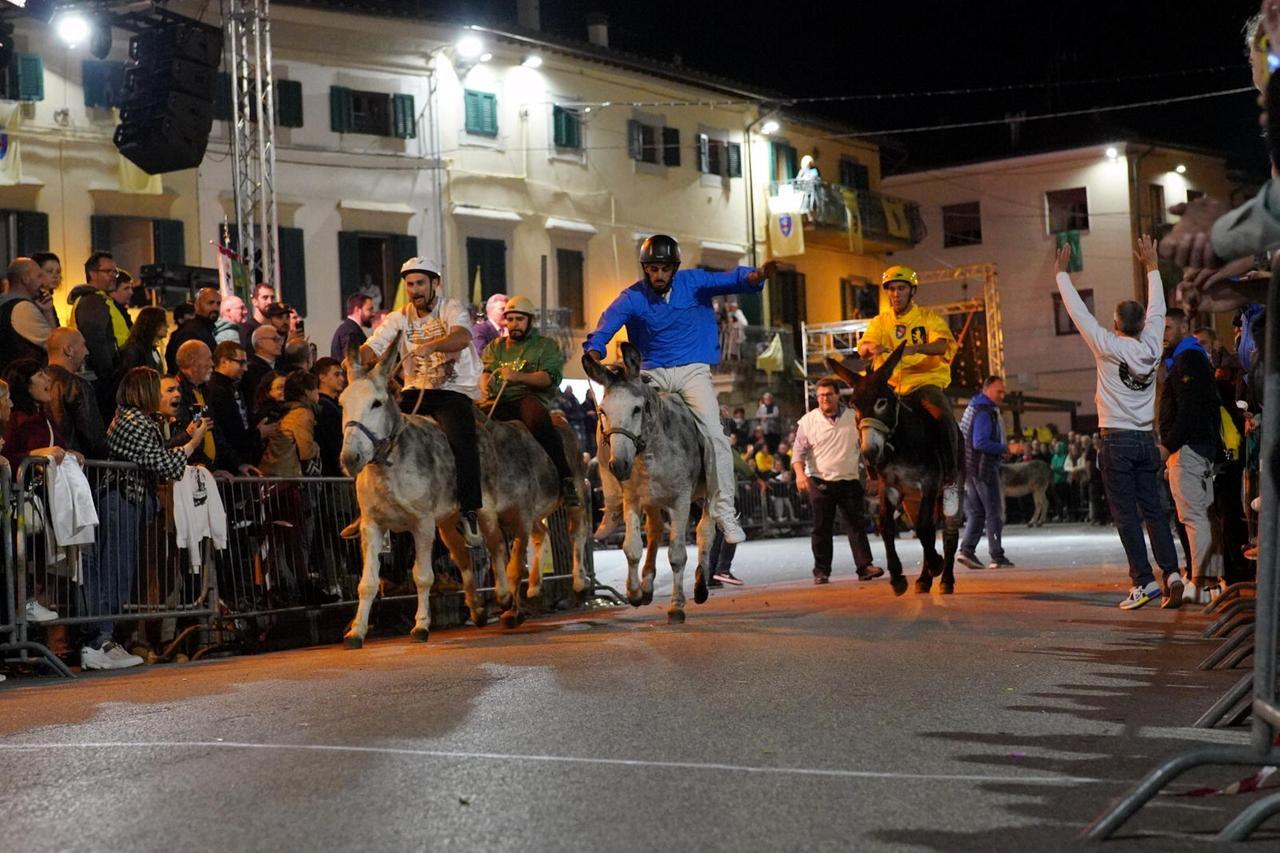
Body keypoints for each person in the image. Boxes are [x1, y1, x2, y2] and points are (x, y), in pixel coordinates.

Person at [584, 234, 778, 544]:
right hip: (650, 372)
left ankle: (724, 512)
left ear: (674, 268)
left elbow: (729, 280)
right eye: (652, 268)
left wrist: (756, 276)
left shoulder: (694, 282)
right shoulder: (632, 297)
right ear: (645, 269)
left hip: (693, 371)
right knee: (607, 422)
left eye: (663, 268)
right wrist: (594, 350)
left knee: (715, 435)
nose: (657, 274)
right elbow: (607, 323)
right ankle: (612, 506)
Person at [1055, 236, 1182, 609]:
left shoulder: (1106, 345)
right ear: (1144, 323)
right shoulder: (1153, 342)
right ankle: (1172, 572)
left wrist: (1062, 276)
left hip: (1116, 441)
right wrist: (1152, 266)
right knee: (1155, 511)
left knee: (1126, 515)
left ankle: (1144, 582)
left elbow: (1079, 313)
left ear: (1114, 323)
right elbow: (1158, 306)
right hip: (1146, 439)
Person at [83, 367, 211, 670]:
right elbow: (161, 464)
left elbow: (155, 455)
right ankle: (98, 641)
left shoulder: (136, 420)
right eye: (158, 389)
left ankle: (105, 639)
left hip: (127, 501)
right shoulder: (134, 421)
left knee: (120, 570)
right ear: (144, 392)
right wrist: (192, 443)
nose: (165, 395)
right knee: (115, 570)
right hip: (119, 501)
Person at [356, 256, 485, 545]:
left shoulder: (450, 308)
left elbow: (462, 337)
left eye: (420, 283)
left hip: (453, 392)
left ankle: (469, 511)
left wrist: (433, 346)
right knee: (377, 431)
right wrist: (353, 361)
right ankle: (369, 507)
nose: (414, 290)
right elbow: (374, 345)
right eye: (410, 284)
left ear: (435, 283)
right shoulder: (398, 317)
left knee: (463, 441)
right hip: (415, 391)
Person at [856, 265, 961, 515]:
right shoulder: (880, 321)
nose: (895, 294)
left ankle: (950, 482)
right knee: (862, 415)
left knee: (942, 415)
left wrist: (916, 348)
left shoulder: (928, 318)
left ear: (912, 291)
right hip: (892, 387)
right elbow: (863, 347)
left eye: (901, 288)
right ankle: (876, 476)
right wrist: (872, 349)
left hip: (923, 383)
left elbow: (941, 345)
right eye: (891, 289)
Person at [480, 295, 578, 504]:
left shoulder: (546, 346)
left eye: (519, 319)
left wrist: (518, 377)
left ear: (530, 321)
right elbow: (486, 371)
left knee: (538, 421)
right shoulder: (495, 347)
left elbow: (548, 378)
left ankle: (565, 477)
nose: (514, 324)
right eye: (511, 319)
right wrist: (485, 384)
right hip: (498, 401)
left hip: (528, 399)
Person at [1158, 307, 1224, 602]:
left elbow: (1188, 409)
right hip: (1196, 446)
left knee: (1194, 516)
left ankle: (1203, 585)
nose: (1163, 335)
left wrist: (1168, 444)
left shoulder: (1187, 359)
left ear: (1185, 325)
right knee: (1202, 516)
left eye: (1168, 328)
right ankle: (1207, 582)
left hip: (1189, 449)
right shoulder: (1189, 357)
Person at [792, 376, 882, 584]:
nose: (824, 399)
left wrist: (873, 475)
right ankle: (821, 571)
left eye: (829, 394)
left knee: (856, 525)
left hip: (848, 479)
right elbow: (798, 453)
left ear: (837, 395)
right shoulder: (808, 421)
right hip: (819, 480)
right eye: (821, 395)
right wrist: (799, 474)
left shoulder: (854, 417)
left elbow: (865, 448)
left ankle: (864, 566)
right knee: (822, 528)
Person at [957, 376, 1014, 570]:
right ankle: (997, 555)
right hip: (983, 469)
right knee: (993, 512)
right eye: (999, 391)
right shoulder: (984, 411)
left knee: (976, 512)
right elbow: (979, 442)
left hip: (969, 469)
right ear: (987, 389)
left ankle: (967, 550)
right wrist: (1005, 448)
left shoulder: (973, 407)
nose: (1002, 395)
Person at [68, 252, 131, 401]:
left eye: (115, 272)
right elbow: (96, 341)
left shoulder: (97, 299)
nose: (113, 276)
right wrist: (111, 374)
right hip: (102, 380)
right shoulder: (92, 301)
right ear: (92, 273)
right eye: (108, 271)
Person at [44, 328, 109, 460]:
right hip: (75, 466)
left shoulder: (35, 383)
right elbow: (93, 437)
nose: (87, 351)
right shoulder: (77, 385)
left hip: (44, 466)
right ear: (69, 350)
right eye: (83, 345)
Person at [259, 370, 320, 477]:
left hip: (272, 471)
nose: (318, 392)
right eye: (315, 388)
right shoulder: (302, 414)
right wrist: (316, 447)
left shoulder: (288, 410)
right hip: (285, 475)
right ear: (307, 392)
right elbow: (306, 451)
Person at [0, 258, 55, 367]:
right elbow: (56, 345)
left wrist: (48, 310)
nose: (43, 282)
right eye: (39, 276)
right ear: (25, 279)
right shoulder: (22, 308)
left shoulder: (4, 304)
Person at [165, 288, 221, 373]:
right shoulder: (191, 332)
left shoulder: (206, 330)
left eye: (218, 304)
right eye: (210, 303)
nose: (215, 307)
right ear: (197, 306)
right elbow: (185, 369)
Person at [312, 357, 345, 476]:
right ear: (322, 377)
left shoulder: (335, 404)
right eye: (336, 375)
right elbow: (333, 442)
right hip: (332, 471)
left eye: (342, 374)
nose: (342, 379)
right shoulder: (323, 406)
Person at [242, 324, 283, 407]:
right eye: (275, 339)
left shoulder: (280, 366)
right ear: (260, 343)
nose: (280, 343)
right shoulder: (251, 370)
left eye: (280, 339)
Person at [331, 293, 373, 360]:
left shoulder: (350, 329)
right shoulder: (351, 332)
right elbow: (351, 364)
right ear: (357, 310)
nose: (372, 314)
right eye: (369, 309)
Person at [239, 282, 276, 351]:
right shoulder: (247, 329)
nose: (270, 302)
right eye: (265, 297)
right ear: (255, 301)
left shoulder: (276, 328)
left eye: (272, 298)